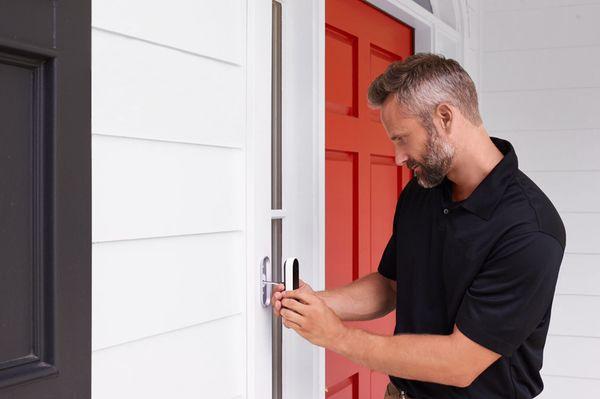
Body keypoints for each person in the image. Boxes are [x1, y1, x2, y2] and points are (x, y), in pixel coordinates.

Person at [271, 53, 566, 399]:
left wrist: (337, 336)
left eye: (401, 138)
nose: (397, 157)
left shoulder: (531, 229)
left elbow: (460, 363)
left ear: (444, 117)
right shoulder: (422, 189)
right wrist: (313, 305)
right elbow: (391, 286)